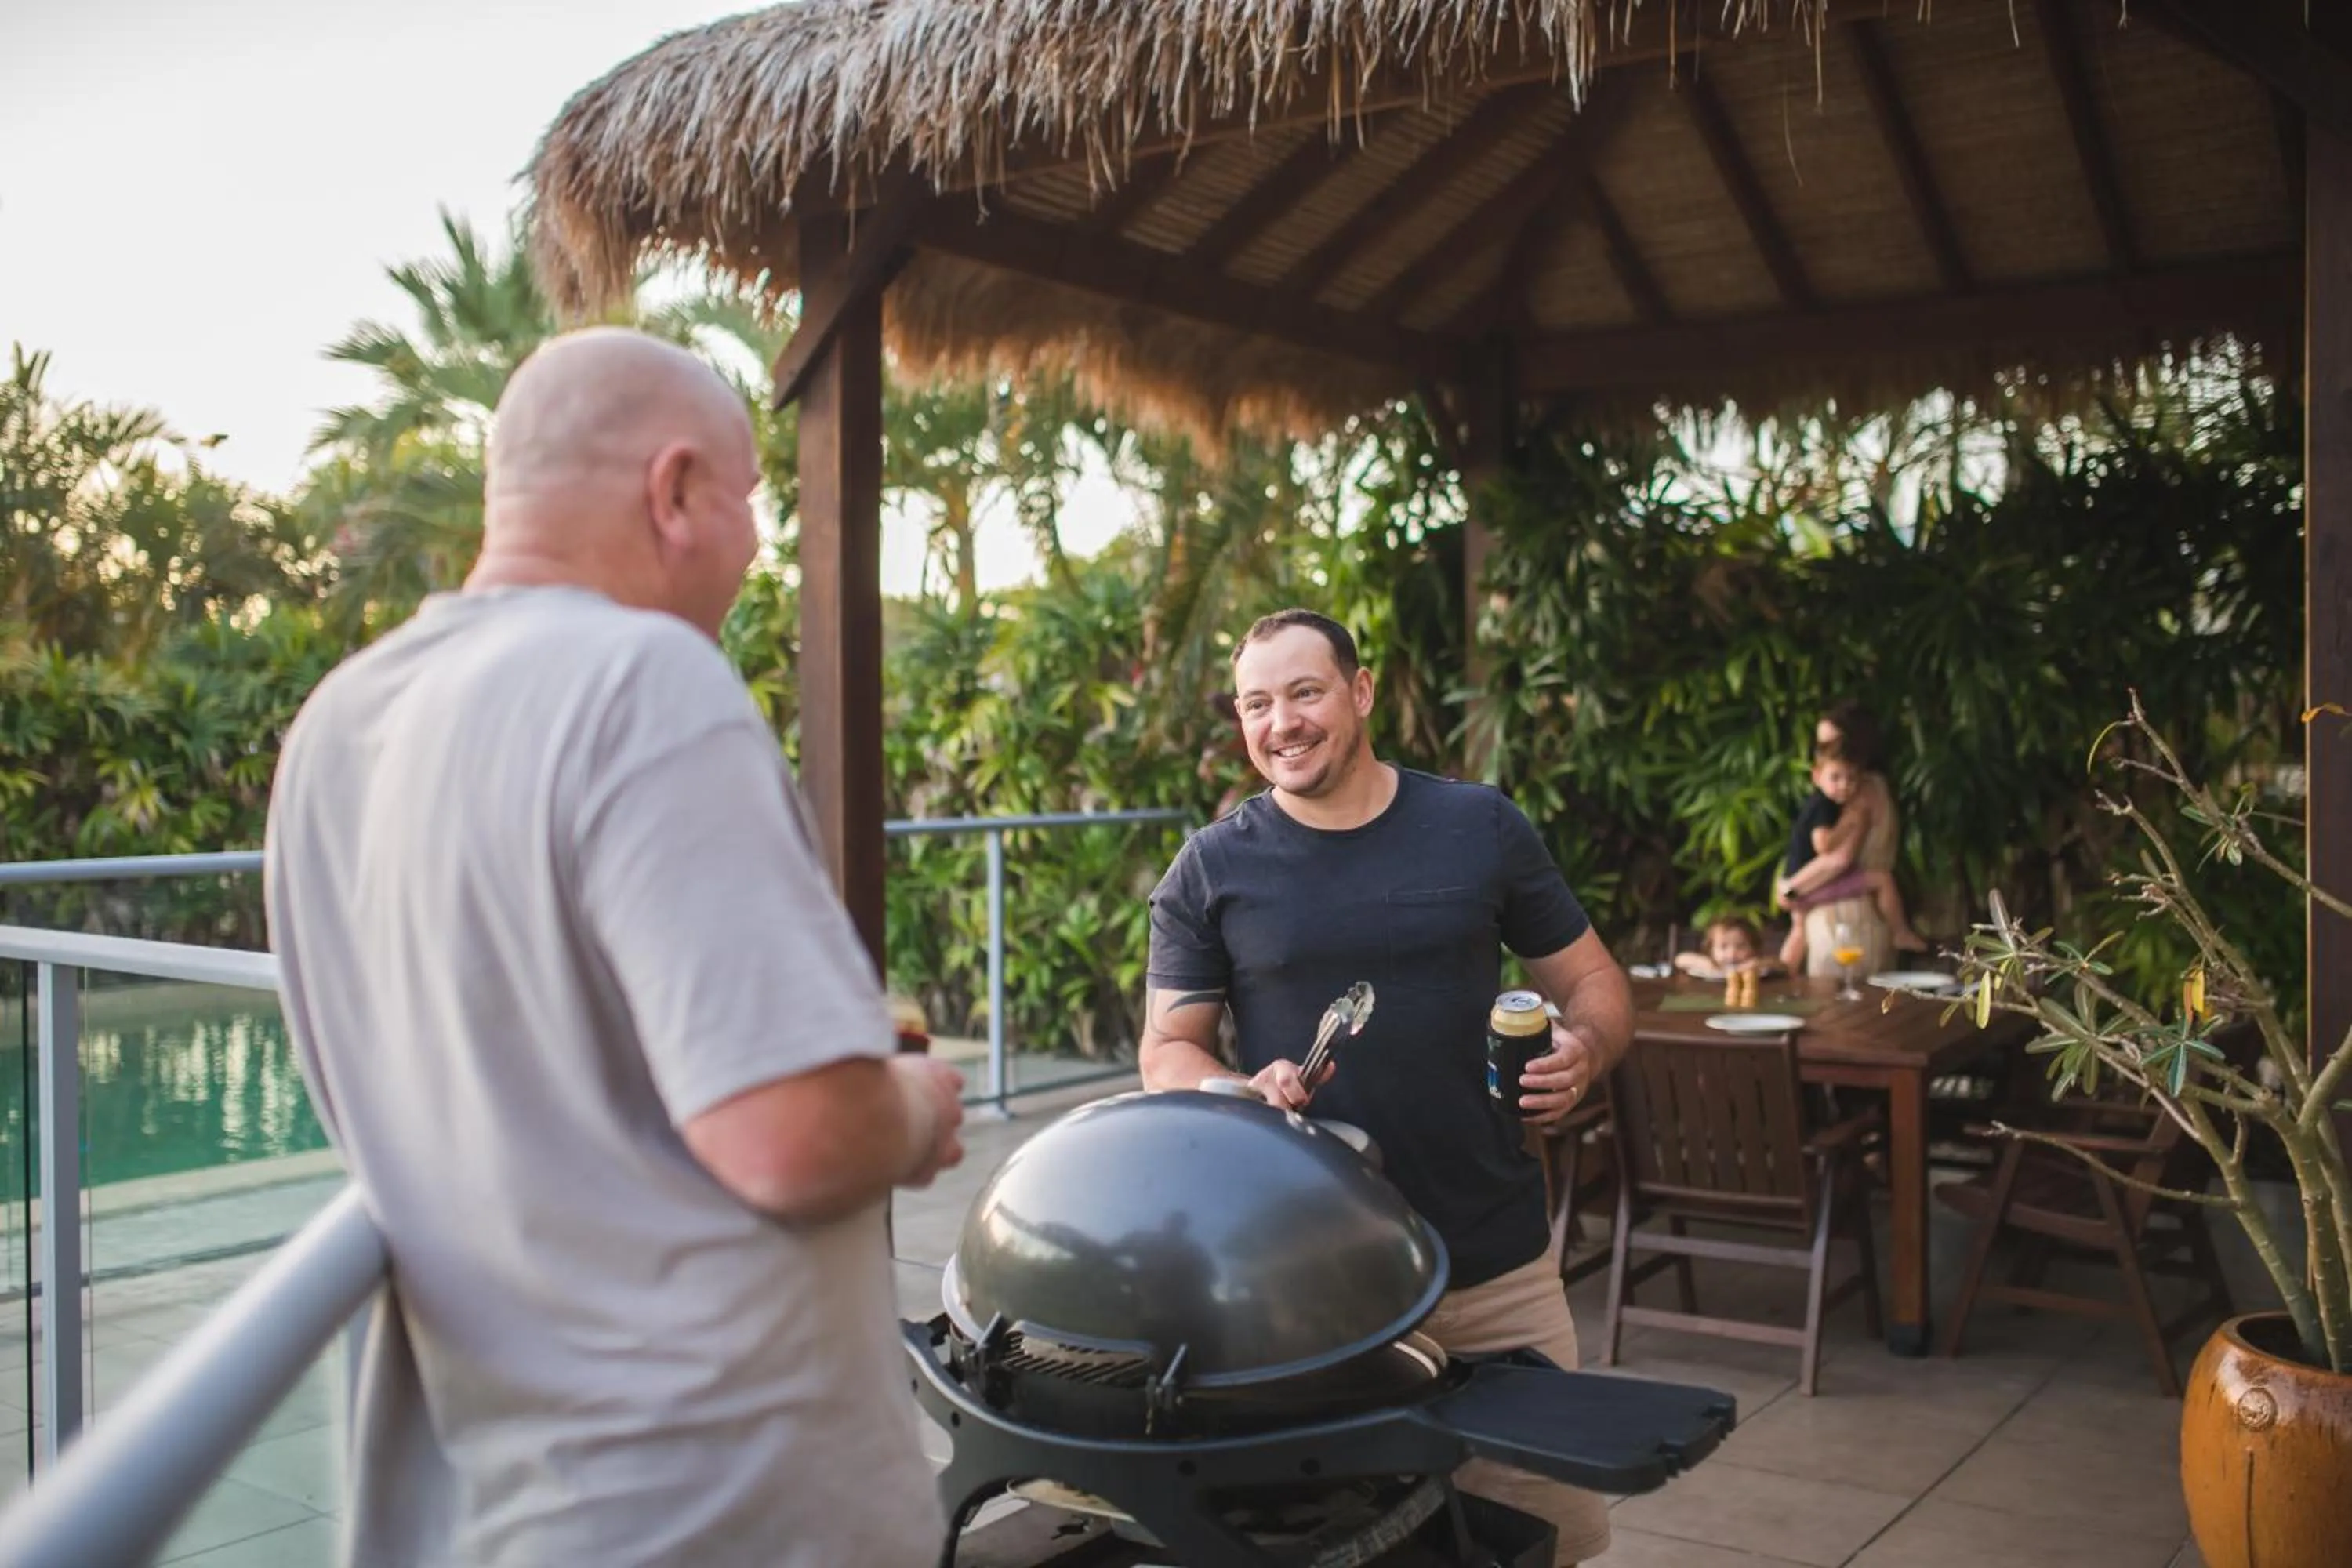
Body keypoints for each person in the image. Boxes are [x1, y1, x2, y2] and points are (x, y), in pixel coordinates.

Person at [264, 328, 966, 1568]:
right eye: (750, 501)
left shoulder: (335, 729)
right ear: (676, 489)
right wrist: (913, 1109)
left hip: (503, 1505)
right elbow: (791, 1135)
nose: (757, 545)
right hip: (719, 1507)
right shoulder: (642, 680)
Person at [1141, 608, 1632, 1567]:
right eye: (1256, 703)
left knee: (1546, 1544)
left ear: (1361, 691)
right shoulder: (1213, 864)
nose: (1281, 722)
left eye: (1305, 692)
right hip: (1305, 1286)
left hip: (1495, 1267)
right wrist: (1237, 1085)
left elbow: (1595, 979)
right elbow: (1167, 1048)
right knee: (1347, 1548)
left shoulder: (1477, 825)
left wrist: (1587, 1045)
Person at [1774, 737, 1925, 968]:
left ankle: (1783, 973)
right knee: (1882, 879)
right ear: (1817, 776)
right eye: (1836, 778)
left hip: (1801, 883)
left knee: (1798, 931)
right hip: (1807, 886)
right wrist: (1850, 823)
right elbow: (1823, 844)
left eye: (1851, 778)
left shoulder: (1822, 802)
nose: (1844, 785)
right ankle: (1900, 931)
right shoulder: (1823, 805)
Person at [1672, 915, 1771, 980]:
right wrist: (1703, 962)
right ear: (1711, 949)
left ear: (1753, 948)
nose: (1732, 954)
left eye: (1741, 946)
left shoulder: (1753, 966)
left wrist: (1757, 963)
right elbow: (1679, 959)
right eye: (1723, 947)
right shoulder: (1713, 965)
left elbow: (1778, 964)